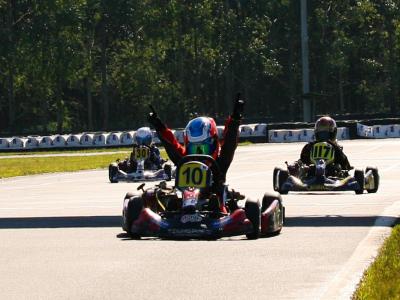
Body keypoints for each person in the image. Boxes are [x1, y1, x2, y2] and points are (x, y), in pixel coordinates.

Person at [147, 95, 245, 212]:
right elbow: (171, 145)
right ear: (188, 147)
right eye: (194, 149)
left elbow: (229, 143)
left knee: (217, 201)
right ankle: (172, 211)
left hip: (214, 207)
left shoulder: (219, 163)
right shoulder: (184, 160)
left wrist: (234, 120)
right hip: (184, 202)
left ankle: (216, 211)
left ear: (213, 144)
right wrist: (159, 126)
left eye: (202, 149)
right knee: (157, 198)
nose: (198, 154)